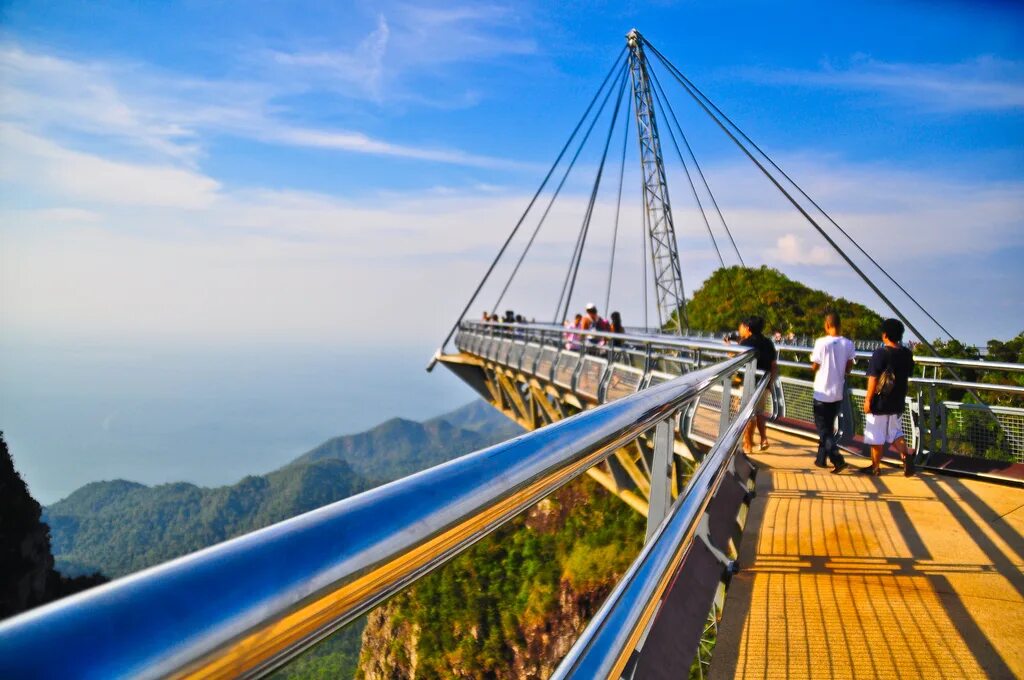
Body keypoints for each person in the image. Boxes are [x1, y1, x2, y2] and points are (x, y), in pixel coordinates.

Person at [862, 318, 915, 476]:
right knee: (895, 432)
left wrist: (868, 400)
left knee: (876, 435)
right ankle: (907, 458)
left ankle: (875, 467)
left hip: (880, 402)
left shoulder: (880, 353)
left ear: (885, 335)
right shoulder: (907, 354)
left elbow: (873, 378)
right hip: (897, 401)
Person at [810, 312, 855, 474]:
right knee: (828, 428)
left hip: (822, 392)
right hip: (837, 393)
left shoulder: (821, 343)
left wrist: (814, 367)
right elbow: (849, 366)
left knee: (823, 430)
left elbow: (815, 365)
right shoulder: (848, 344)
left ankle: (838, 459)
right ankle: (820, 459)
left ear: (827, 325)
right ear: (840, 324)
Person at [726, 316, 777, 453]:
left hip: (748, 384)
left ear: (747, 328)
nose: (739, 329)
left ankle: (747, 444)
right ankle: (763, 438)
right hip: (764, 382)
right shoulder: (768, 343)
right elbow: (773, 365)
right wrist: (770, 383)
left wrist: (728, 348)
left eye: (741, 326)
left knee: (746, 413)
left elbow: (734, 359)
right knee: (759, 412)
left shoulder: (745, 344)